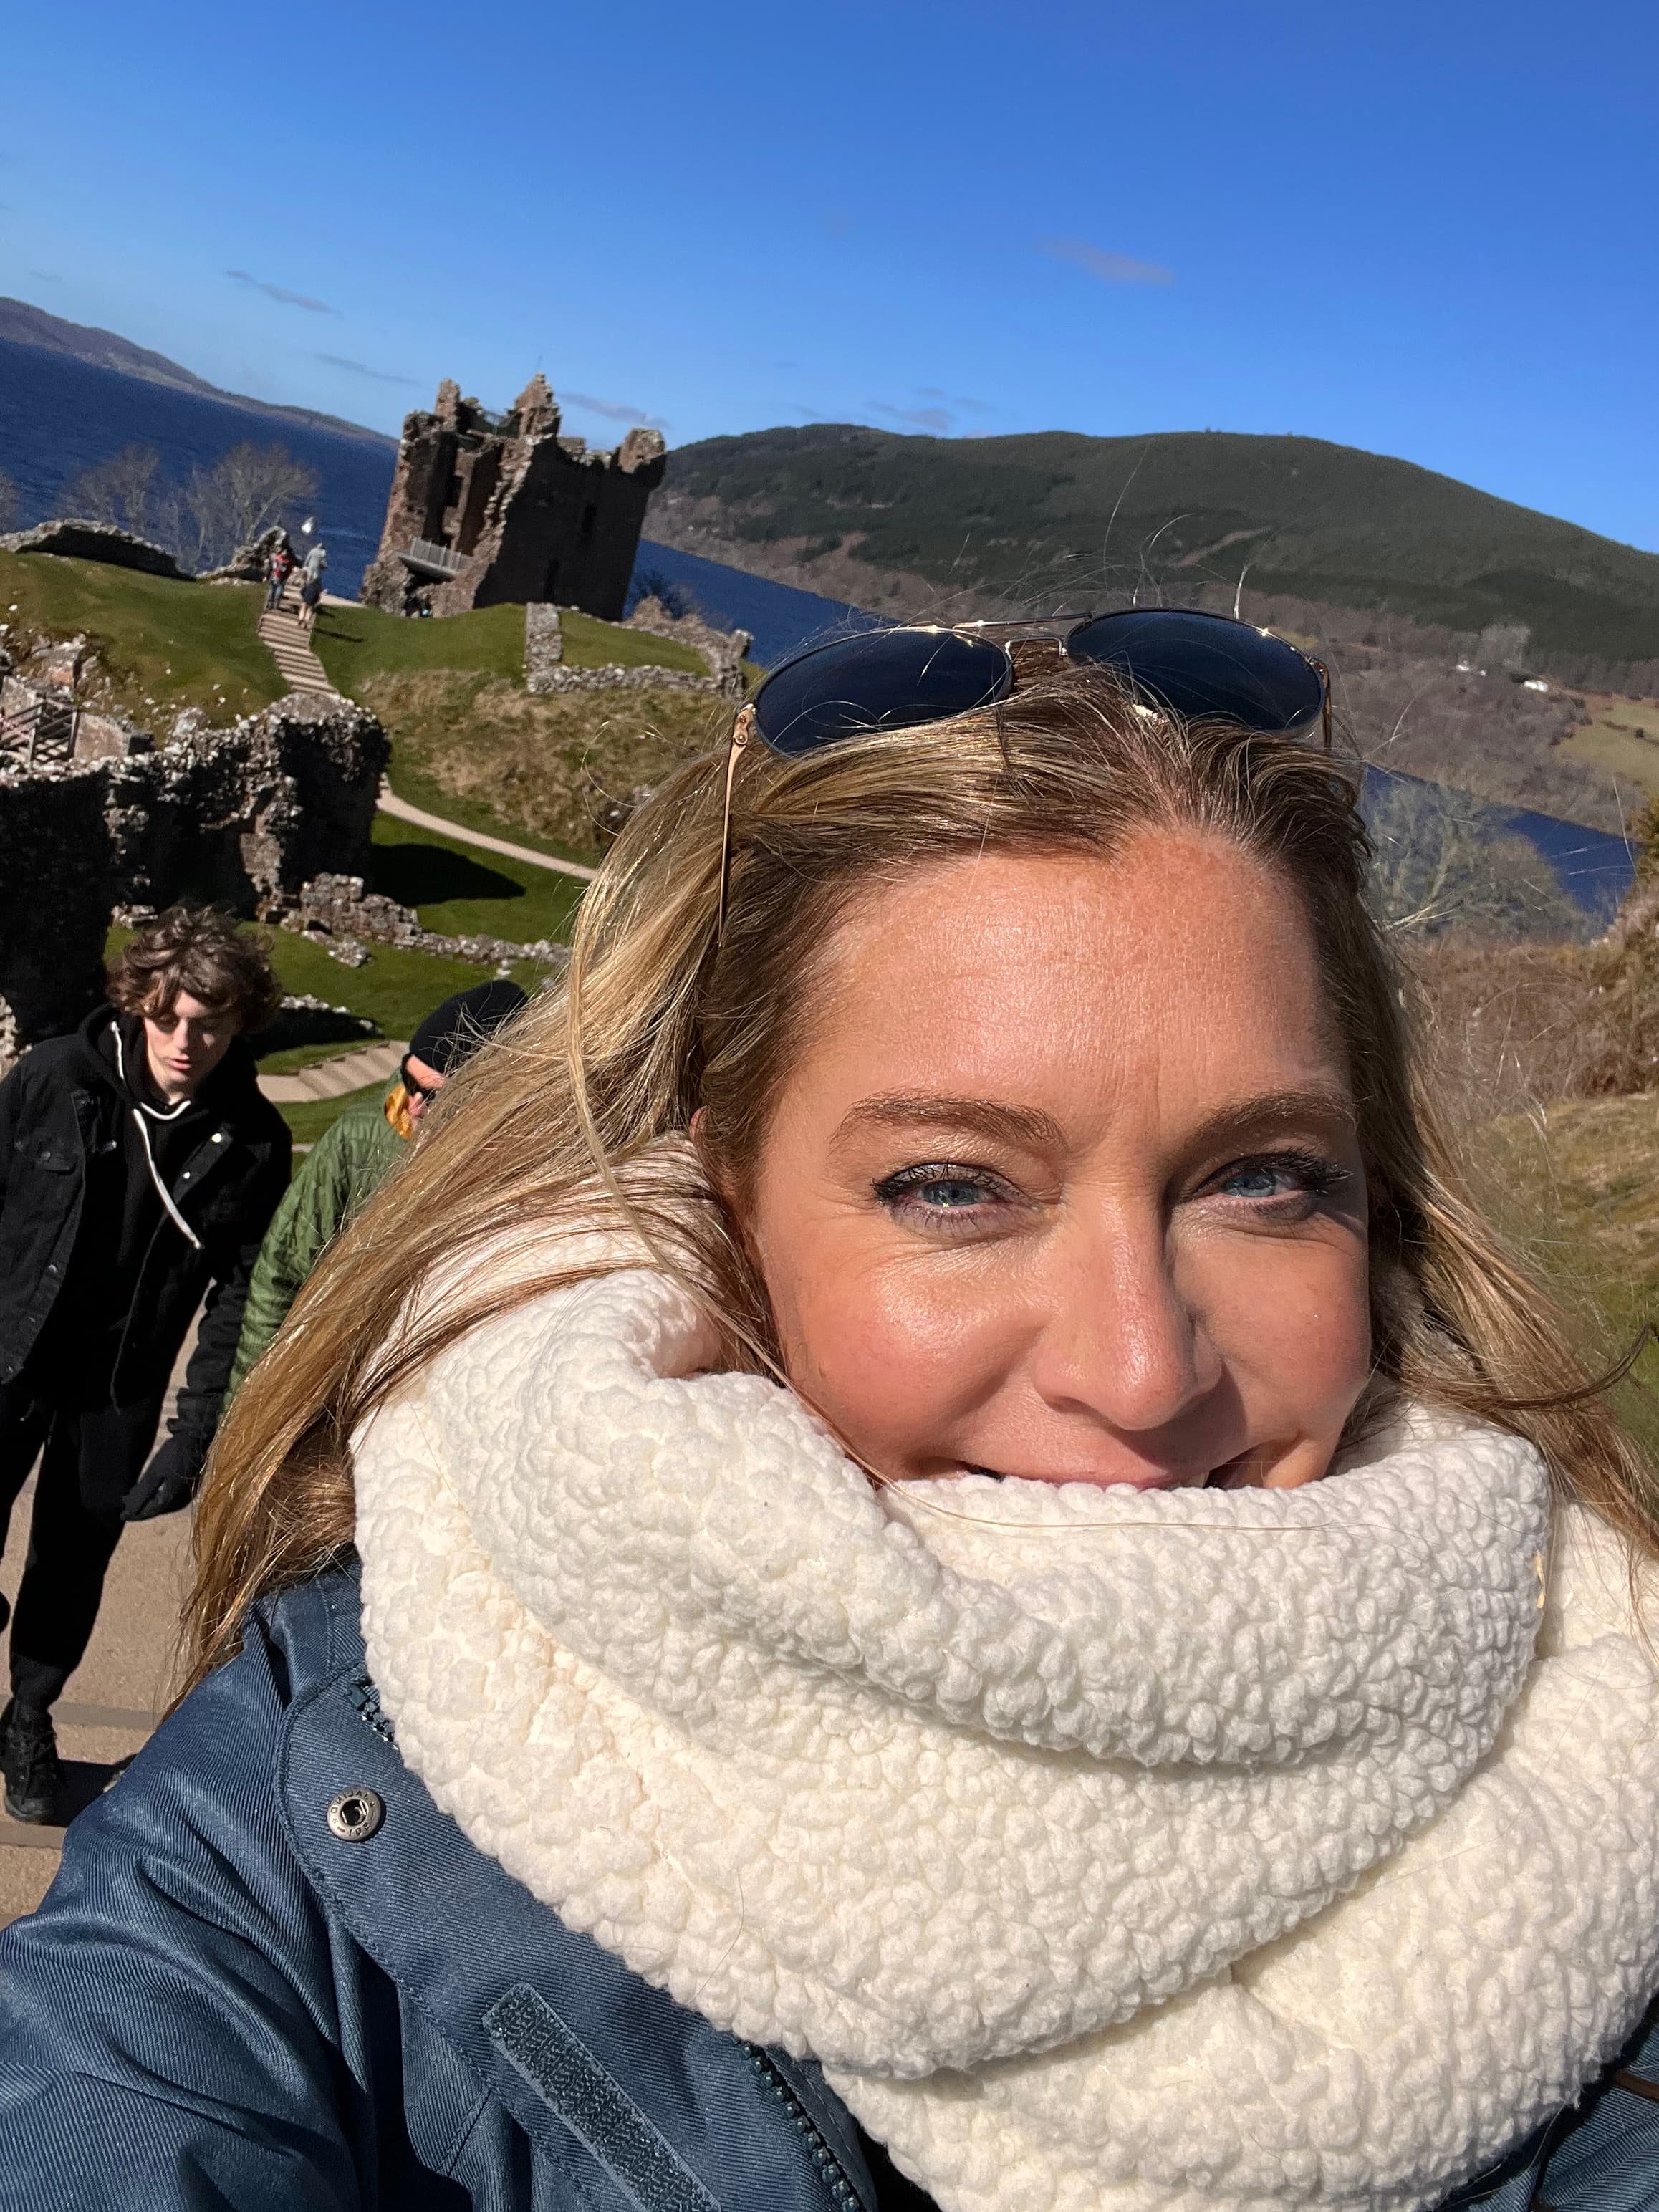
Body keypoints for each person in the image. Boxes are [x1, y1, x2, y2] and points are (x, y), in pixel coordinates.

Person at [4, 615, 1659, 2211]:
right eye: (951, 1186)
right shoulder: (328, 1799)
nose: (1139, 1371)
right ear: (716, 1208)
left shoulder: (1603, 1786)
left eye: (1258, 1176)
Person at [0, 907, 289, 1826]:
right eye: (168, 1016)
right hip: (10, 1353)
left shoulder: (253, 1142)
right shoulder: (54, 1076)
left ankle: (30, 1715)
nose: (186, 1041)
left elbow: (238, 1301)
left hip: (117, 1386)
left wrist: (196, 1430)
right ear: (137, 1003)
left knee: (72, 1560)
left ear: (242, 1021)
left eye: (211, 1021)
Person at [228, 980, 528, 1394]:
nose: (413, 1105)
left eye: (435, 1095)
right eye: (409, 1079)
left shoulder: (522, 1174)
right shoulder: (358, 1139)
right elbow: (280, 1278)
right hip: (325, 1386)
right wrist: (247, 1407)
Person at [262, 534, 292, 612]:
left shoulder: (286, 561)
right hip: (276, 577)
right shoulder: (279, 559)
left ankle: (274, 606)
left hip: (279, 578)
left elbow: (287, 571)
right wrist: (268, 575)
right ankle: (270, 605)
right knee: (272, 592)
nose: (284, 553)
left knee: (276, 593)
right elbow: (272, 568)